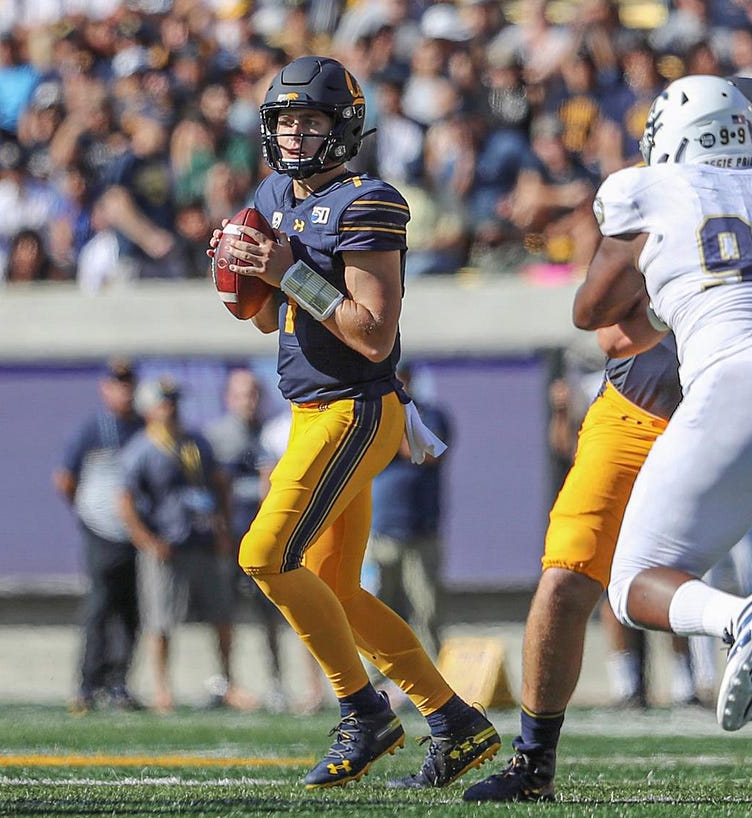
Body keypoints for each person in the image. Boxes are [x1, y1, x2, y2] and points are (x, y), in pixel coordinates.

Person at [465, 75, 752, 805]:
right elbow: (610, 328)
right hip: (657, 406)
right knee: (570, 572)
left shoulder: (735, 194)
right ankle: (533, 759)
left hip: (736, 398)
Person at [209, 55, 500, 791]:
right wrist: (244, 279)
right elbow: (272, 314)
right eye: (285, 121)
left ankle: (363, 712)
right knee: (335, 589)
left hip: (356, 409)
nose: (295, 135)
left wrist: (285, 272)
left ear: (343, 127)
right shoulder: (274, 193)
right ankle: (455, 721)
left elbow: (371, 333)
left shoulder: (368, 203)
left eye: (309, 121)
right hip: (308, 409)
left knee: (265, 556)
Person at [118, 377, 242, 713]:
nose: (171, 409)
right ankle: (162, 688)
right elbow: (125, 501)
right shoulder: (141, 449)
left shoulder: (195, 442)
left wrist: (223, 529)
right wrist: (147, 540)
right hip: (166, 546)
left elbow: (218, 485)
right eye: (164, 402)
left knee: (221, 615)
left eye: (174, 401)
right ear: (149, 409)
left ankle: (227, 682)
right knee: (160, 621)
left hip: (202, 540)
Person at [54, 358, 145, 713]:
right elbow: (65, 478)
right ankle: (87, 684)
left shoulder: (141, 428)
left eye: (128, 384)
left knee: (130, 610)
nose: (124, 391)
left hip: (134, 532)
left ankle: (119, 683)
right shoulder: (92, 429)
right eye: (117, 384)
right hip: (100, 531)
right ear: (105, 389)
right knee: (100, 606)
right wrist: (89, 512)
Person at [204, 368, 293, 712]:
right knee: (224, 612)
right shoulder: (215, 438)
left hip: (265, 538)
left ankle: (275, 682)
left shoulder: (272, 433)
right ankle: (225, 680)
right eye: (241, 394)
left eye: (254, 393)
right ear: (228, 398)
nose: (248, 401)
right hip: (230, 538)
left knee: (270, 613)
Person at [364, 362, 450, 658]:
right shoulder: (372, 413)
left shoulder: (431, 415)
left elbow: (425, 452)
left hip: (421, 530)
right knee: (377, 606)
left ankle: (436, 677)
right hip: (381, 529)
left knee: (426, 608)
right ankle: (378, 677)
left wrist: (398, 424)